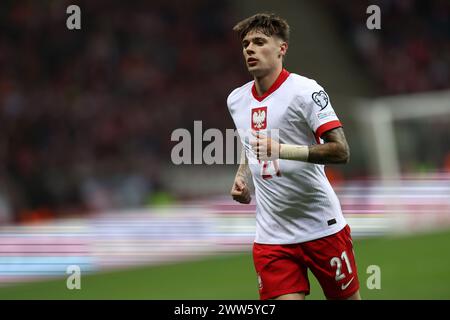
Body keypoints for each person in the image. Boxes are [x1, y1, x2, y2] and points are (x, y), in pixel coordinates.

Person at [227, 13, 361, 300]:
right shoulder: (236, 99)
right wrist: (242, 175)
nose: (250, 49)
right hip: (272, 237)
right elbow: (249, 141)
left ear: (282, 49)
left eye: (260, 42)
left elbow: (341, 150)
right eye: (246, 44)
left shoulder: (305, 91)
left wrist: (283, 150)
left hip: (321, 227)